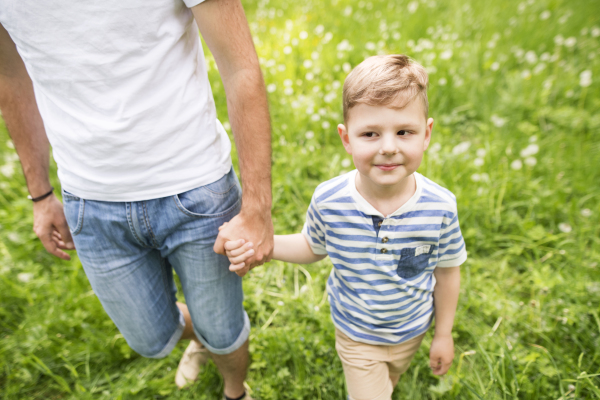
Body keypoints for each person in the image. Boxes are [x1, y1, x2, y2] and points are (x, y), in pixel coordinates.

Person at [0, 0, 273, 399]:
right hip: (90, 204)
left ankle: (235, 391)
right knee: (150, 338)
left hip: (195, 190)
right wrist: (40, 193)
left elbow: (241, 68)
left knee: (223, 330)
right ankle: (201, 330)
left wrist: (257, 208)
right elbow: (10, 79)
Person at [223, 55, 467, 400]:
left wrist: (443, 333)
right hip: (356, 333)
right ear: (346, 138)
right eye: (370, 133)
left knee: (388, 383)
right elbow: (311, 247)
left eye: (404, 132)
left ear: (425, 134)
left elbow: (447, 271)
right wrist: (263, 244)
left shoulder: (440, 207)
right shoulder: (330, 200)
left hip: (412, 330)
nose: (388, 147)